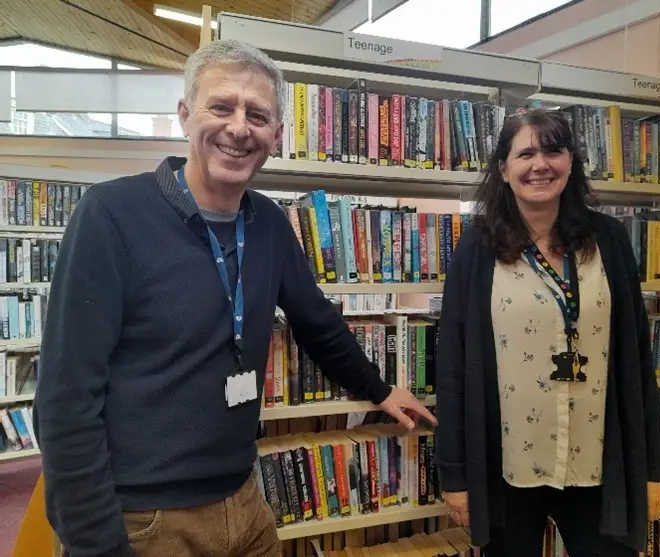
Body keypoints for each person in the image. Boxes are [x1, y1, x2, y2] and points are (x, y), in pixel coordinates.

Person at [33, 39, 436, 557]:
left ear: (277, 134)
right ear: (184, 115)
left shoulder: (267, 221)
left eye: (257, 114)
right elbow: (65, 396)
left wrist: (378, 388)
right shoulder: (110, 215)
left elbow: (315, 319)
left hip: (245, 500)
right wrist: (93, 544)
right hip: (147, 519)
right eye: (221, 107)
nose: (239, 128)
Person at [434, 108, 660, 557]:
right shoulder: (477, 247)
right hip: (509, 467)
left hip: (598, 464)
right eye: (526, 153)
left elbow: (637, 362)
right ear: (504, 169)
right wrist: (455, 475)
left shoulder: (610, 241)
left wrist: (650, 468)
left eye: (553, 150)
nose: (540, 164)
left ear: (571, 161)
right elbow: (454, 367)